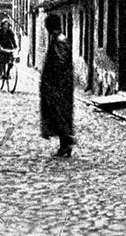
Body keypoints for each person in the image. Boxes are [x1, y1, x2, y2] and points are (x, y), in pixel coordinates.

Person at [39, 14, 75, 157]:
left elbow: (60, 63)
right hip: (57, 85)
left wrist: (54, 84)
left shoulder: (59, 41)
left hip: (58, 86)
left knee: (59, 113)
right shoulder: (57, 39)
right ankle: (64, 144)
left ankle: (66, 142)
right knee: (58, 114)